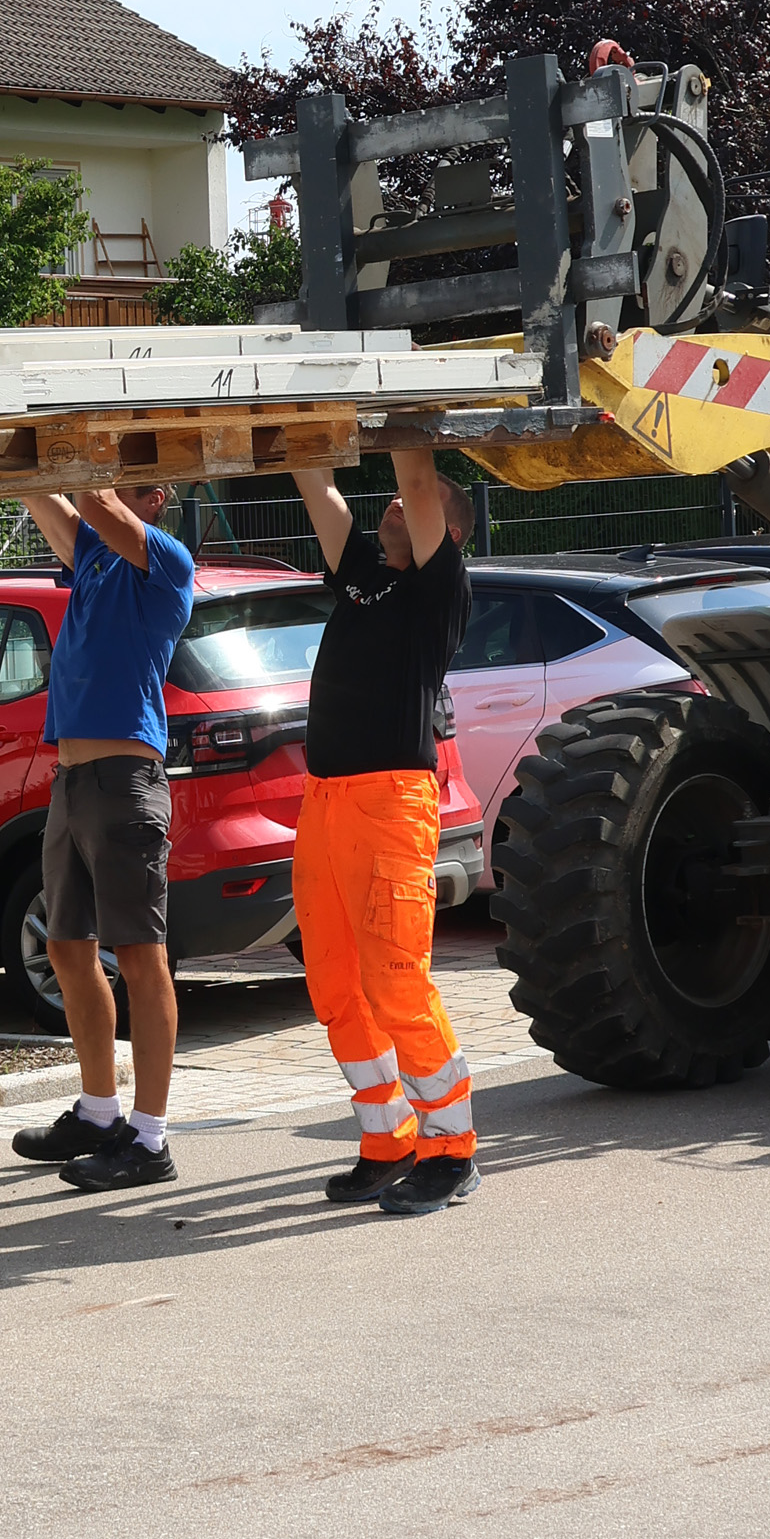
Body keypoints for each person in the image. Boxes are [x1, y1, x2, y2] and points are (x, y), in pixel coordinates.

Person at [285, 449, 480, 1215]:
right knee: (336, 984)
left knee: (397, 981)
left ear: (449, 535)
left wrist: (404, 428)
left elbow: (420, 480)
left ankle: (451, 1148)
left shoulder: (439, 589)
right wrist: (292, 428)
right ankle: (388, 1138)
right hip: (325, 799)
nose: (391, 508)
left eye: (406, 506)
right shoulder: (365, 575)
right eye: (389, 504)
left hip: (392, 802)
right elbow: (316, 484)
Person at [8, 475, 195, 1194]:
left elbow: (93, 500)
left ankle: (150, 1140)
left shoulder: (168, 561)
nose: (116, 487)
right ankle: (98, 1114)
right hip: (73, 781)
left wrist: (82, 454)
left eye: (135, 481)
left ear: (158, 499)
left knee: (142, 958)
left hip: (125, 781)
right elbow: (40, 494)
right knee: (65, 948)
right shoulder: (91, 556)